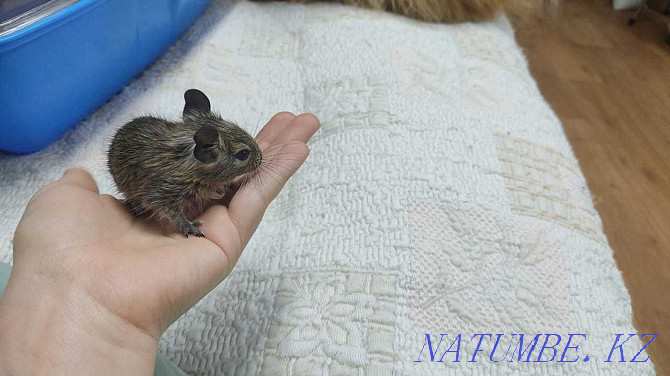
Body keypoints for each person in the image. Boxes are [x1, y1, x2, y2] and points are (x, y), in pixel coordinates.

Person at [0, 112, 320, 375]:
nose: (252, 162)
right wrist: (181, 222)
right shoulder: (173, 175)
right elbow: (161, 199)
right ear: (206, 153)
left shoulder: (201, 162)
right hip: (142, 179)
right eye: (241, 157)